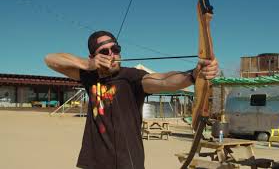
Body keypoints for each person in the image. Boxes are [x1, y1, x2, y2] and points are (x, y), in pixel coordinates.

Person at [44, 30, 219, 169]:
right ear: (94, 57)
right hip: (94, 162)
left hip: (127, 162)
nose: (112, 54)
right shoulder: (89, 76)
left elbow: (163, 80)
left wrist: (194, 75)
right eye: (104, 51)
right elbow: (50, 60)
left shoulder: (131, 77)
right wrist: (86, 65)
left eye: (116, 49)